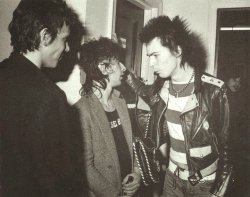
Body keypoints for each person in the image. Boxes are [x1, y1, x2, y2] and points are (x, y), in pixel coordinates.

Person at [123, 16, 232, 197]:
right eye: (149, 56)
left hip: (205, 185)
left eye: (156, 55)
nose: (151, 63)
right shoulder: (161, 88)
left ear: (178, 50)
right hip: (172, 181)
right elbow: (143, 90)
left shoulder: (214, 91)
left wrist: (218, 191)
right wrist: (125, 73)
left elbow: (228, 149)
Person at [0, 0, 85, 196]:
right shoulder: (50, 97)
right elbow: (61, 182)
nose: (67, 49)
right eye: (65, 39)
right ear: (45, 36)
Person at [74, 37, 141, 197]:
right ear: (103, 68)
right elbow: (85, 167)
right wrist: (115, 194)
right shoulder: (81, 110)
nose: (124, 68)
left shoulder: (121, 101)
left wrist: (137, 174)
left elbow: (133, 144)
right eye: (118, 62)